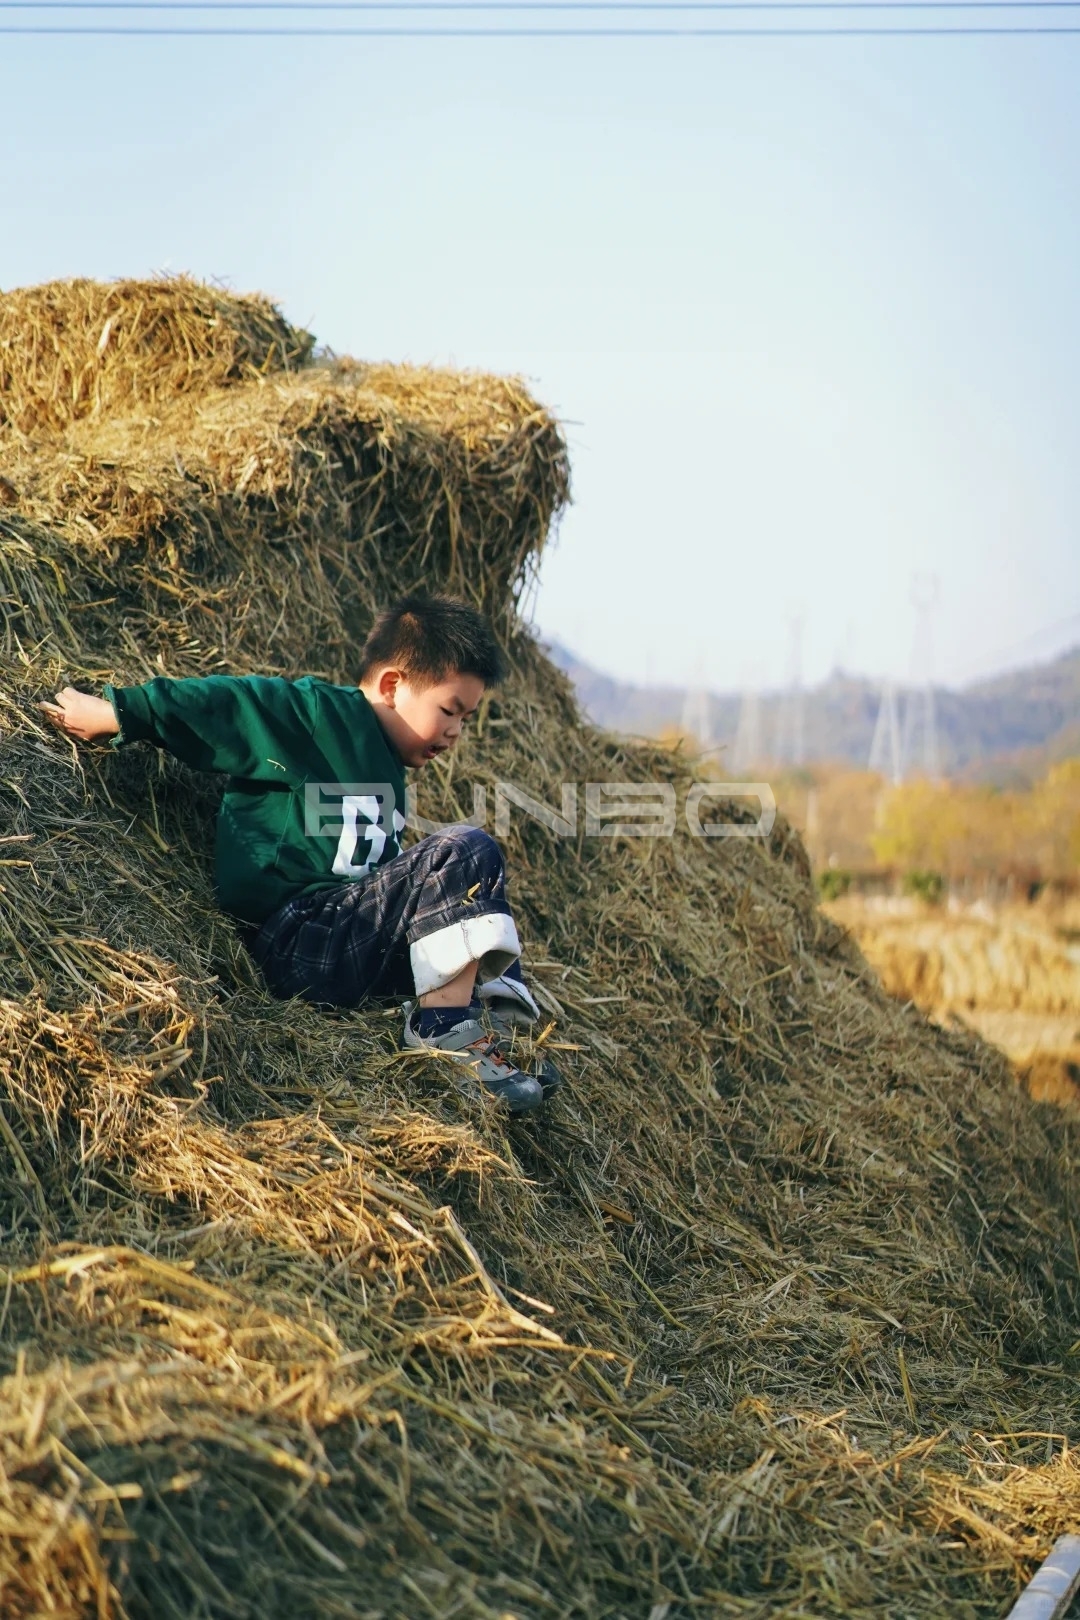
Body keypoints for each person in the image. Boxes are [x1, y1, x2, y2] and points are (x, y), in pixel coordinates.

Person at [39, 593, 558, 1115]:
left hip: (348, 945)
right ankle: (446, 1036)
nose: (455, 732)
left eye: (466, 718)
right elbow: (231, 706)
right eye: (449, 710)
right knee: (465, 852)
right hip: (297, 937)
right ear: (394, 685)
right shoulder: (319, 716)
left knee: (460, 905)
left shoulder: (389, 771)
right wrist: (120, 712)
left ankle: (490, 1036)